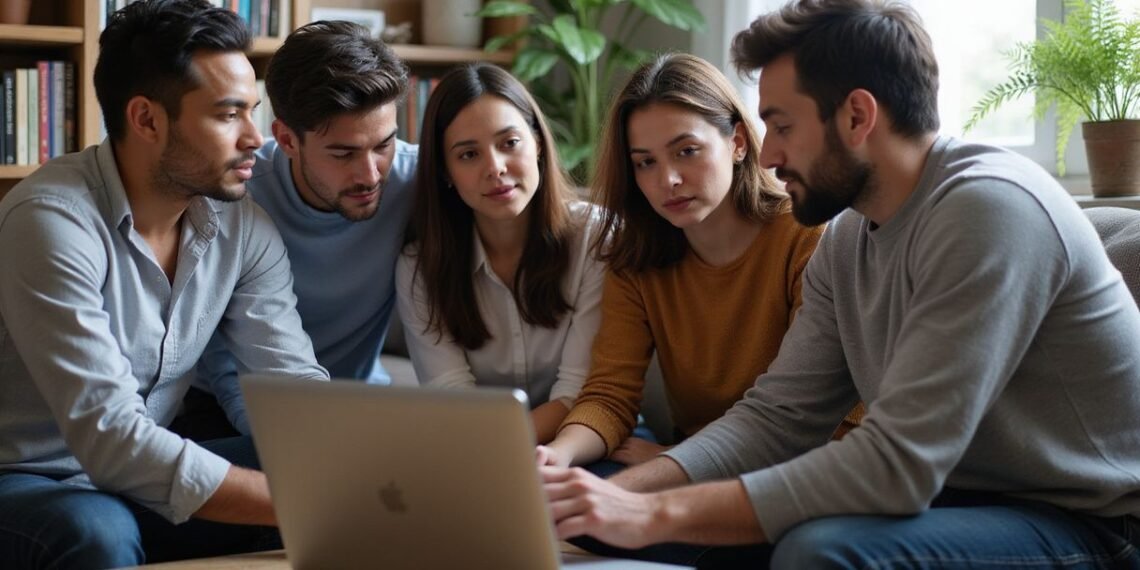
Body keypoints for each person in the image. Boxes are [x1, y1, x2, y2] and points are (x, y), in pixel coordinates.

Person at [541, 1, 1140, 568]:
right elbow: (777, 418)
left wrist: (653, 512)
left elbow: (895, 464)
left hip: (1083, 520)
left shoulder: (989, 207)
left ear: (856, 116)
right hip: (951, 500)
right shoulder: (848, 235)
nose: (769, 154)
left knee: (819, 552)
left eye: (780, 125)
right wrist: (608, 501)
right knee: (602, 522)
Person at [0, 1, 331, 568]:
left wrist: (361, 467)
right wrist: (301, 504)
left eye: (254, 111)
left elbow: (290, 384)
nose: (256, 137)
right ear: (147, 119)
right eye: (229, 115)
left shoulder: (242, 224)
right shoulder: (50, 220)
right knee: (95, 535)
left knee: (317, 458)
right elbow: (110, 434)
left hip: (137, 476)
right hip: (30, 479)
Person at [537, 53, 832, 474]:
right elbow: (610, 395)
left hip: (796, 471)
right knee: (582, 485)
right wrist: (556, 456)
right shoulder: (636, 258)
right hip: (688, 465)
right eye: (645, 162)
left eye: (687, 151)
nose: (668, 180)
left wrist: (677, 461)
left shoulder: (806, 236)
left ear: (738, 142)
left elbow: (818, 416)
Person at [195, 20, 417, 436]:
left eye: (383, 145)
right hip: (232, 411)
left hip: (360, 401)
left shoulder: (415, 179)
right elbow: (222, 359)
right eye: (343, 153)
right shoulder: (231, 197)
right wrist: (293, 441)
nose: (370, 174)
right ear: (286, 139)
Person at [395, 63, 604, 444]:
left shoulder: (594, 237)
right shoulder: (420, 266)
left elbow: (580, 389)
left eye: (509, 143)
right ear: (445, 171)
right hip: (474, 443)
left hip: (582, 440)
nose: (495, 168)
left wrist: (506, 446)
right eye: (468, 155)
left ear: (538, 143)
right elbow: (452, 396)